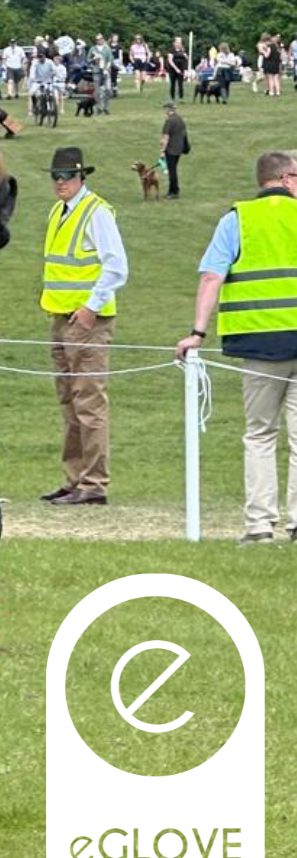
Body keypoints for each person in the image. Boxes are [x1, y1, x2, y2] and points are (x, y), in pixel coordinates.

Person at [177, 151, 297, 544]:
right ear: (285, 177)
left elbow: (212, 277)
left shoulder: (236, 219)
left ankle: (260, 525)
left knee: (260, 434)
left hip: (259, 342)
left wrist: (198, 332)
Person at [39, 146, 129, 507]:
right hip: (61, 317)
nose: (61, 182)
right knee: (69, 400)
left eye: (68, 176)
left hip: (86, 321)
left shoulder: (97, 212)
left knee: (89, 401)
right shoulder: (59, 211)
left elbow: (117, 265)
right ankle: (75, 478)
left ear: (81, 178)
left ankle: (93, 483)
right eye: (56, 176)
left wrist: (91, 307)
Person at [159, 101, 189, 199]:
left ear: (168, 109)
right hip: (179, 148)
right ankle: (172, 190)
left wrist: (162, 150)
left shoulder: (169, 121)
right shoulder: (180, 119)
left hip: (171, 149)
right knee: (173, 170)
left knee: (172, 171)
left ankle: (173, 192)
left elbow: (166, 137)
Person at [166, 37, 188, 101]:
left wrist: (185, 70)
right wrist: (176, 69)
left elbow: (186, 59)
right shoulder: (171, 50)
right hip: (173, 69)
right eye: (177, 42)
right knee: (172, 84)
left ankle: (181, 98)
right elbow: (170, 60)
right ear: (174, 43)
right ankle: (172, 98)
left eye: (180, 42)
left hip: (181, 69)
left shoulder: (183, 50)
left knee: (180, 84)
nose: (179, 44)